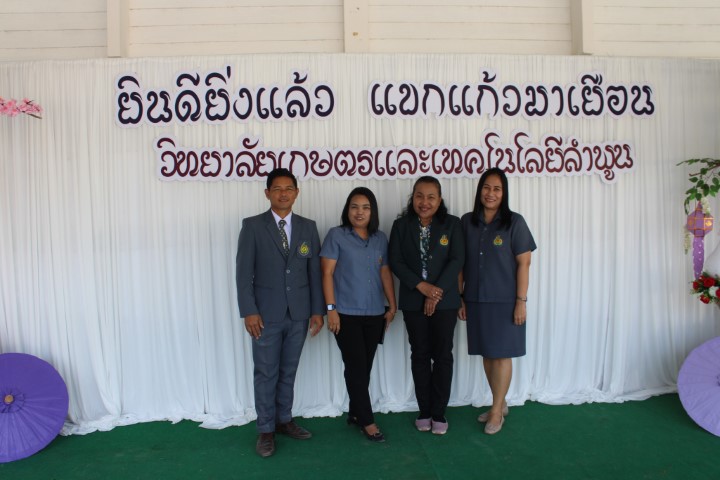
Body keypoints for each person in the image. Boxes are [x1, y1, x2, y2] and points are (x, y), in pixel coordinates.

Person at [235, 167, 325, 457]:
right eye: (277, 189)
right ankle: (265, 429)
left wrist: (317, 311)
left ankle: (284, 420)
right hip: (265, 315)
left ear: (296, 193)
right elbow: (243, 274)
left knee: (289, 370)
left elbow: (314, 272)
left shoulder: (308, 227)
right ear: (267, 193)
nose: (283, 194)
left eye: (288, 189)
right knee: (266, 372)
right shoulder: (252, 226)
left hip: (299, 313)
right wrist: (249, 311)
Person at [459, 167, 536, 435]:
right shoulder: (467, 222)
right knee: (487, 353)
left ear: (504, 194)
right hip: (475, 299)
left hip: (505, 301)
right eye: (486, 187)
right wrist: (460, 297)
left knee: (501, 355)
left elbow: (524, 264)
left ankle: (496, 410)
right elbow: (460, 264)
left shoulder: (515, 222)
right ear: (479, 190)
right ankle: (499, 403)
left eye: (497, 189)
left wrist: (521, 301)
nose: (490, 193)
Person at [388, 176, 464, 435]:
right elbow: (396, 261)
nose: (424, 202)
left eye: (431, 197)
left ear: (439, 200)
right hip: (413, 300)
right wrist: (422, 287)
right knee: (420, 354)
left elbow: (457, 260)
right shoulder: (401, 226)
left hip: (445, 302)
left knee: (442, 355)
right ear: (413, 198)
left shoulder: (452, 224)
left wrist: (435, 292)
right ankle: (424, 411)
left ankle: (439, 412)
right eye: (419, 196)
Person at [320, 187, 397, 443]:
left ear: (372, 211)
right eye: (354, 207)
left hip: (374, 313)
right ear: (347, 210)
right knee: (355, 367)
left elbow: (385, 272)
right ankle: (367, 421)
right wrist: (331, 310)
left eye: (365, 207)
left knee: (364, 368)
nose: (359, 212)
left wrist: (392, 305)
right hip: (345, 314)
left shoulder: (380, 238)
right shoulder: (336, 235)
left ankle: (355, 412)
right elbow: (327, 273)